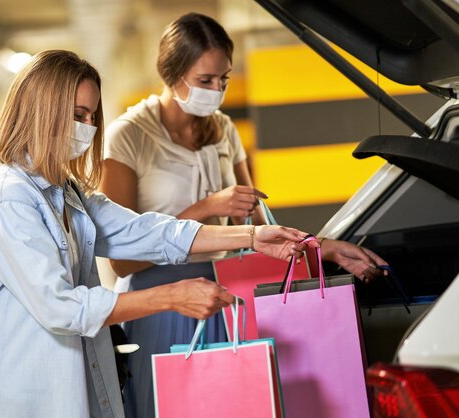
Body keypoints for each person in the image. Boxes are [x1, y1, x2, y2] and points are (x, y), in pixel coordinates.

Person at [0, 49, 315, 418]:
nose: (88, 126)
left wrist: (251, 236)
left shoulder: (68, 193)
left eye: (92, 115)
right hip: (20, 394)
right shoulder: (9, 199)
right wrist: (171, 297)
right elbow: (62, 308)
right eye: (77, 115)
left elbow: (149, 232)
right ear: (41, 112)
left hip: (71, 391)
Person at [100, 12, 389, 418]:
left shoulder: (225, 131)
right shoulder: (128, 135)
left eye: (225, 79)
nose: (216, 90)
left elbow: (253, 234)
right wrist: (206, 208)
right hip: (159, 306)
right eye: (205, 81)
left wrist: (321, 248)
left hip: (227, 300)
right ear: (172, 73)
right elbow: (121, 259)